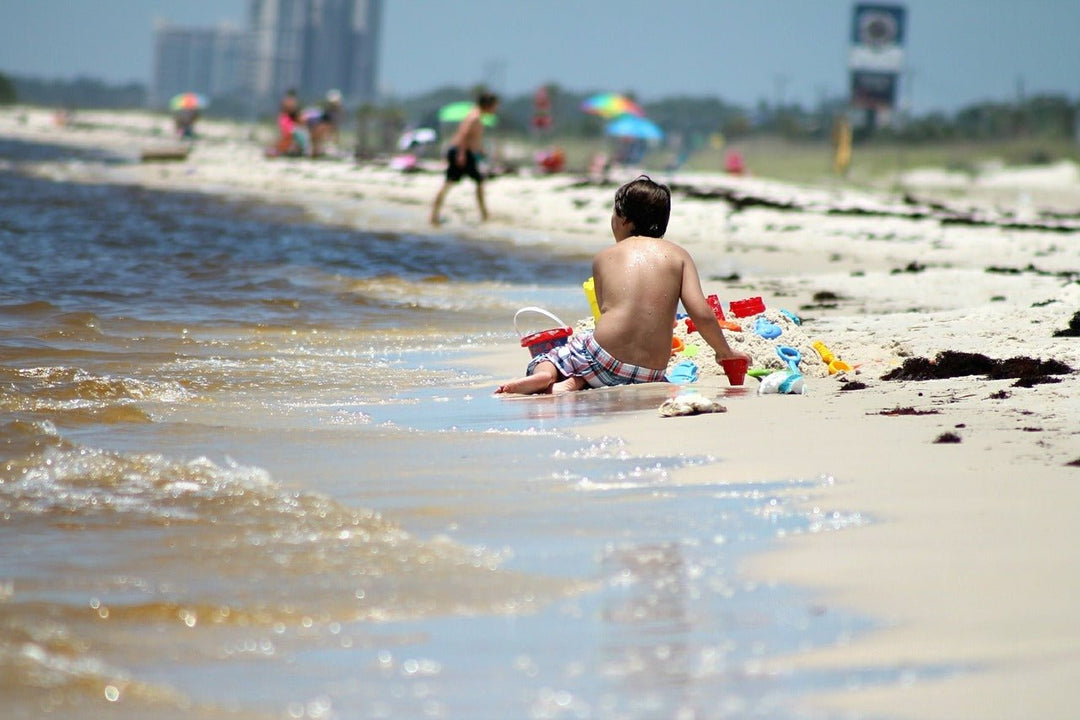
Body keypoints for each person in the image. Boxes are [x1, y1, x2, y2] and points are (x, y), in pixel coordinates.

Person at [496, 176, 751, 395]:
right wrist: (724, 352)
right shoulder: (679, 255)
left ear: (625, 219)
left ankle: (548, 376)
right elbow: (702, 312)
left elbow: (603, 315)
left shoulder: (605, 257)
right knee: (601, 361)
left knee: (555, 355)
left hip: (603, 360)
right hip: (651, 372)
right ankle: (577, 380)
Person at [430, 92, 499, 225]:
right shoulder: (474, 117)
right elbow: (463, 134)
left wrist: (480, 149)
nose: (495, 109)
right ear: (488, 105)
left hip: (466, 153)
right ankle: (434, 216)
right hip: (461, 153)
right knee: (450, 183)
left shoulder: (478, 116)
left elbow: (471, 138)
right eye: (494, 106)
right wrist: (461, 154)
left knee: (476, 181)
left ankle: (484, 215)